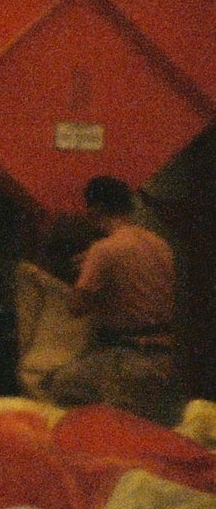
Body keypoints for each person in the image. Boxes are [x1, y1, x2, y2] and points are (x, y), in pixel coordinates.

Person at [55, 172, 181, 419]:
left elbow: (76, 307)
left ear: (97, 209)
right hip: (164, 355)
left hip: (125, 358)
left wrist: (85, 274)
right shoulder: (160, 243)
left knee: (61, 387)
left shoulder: (104, 250)